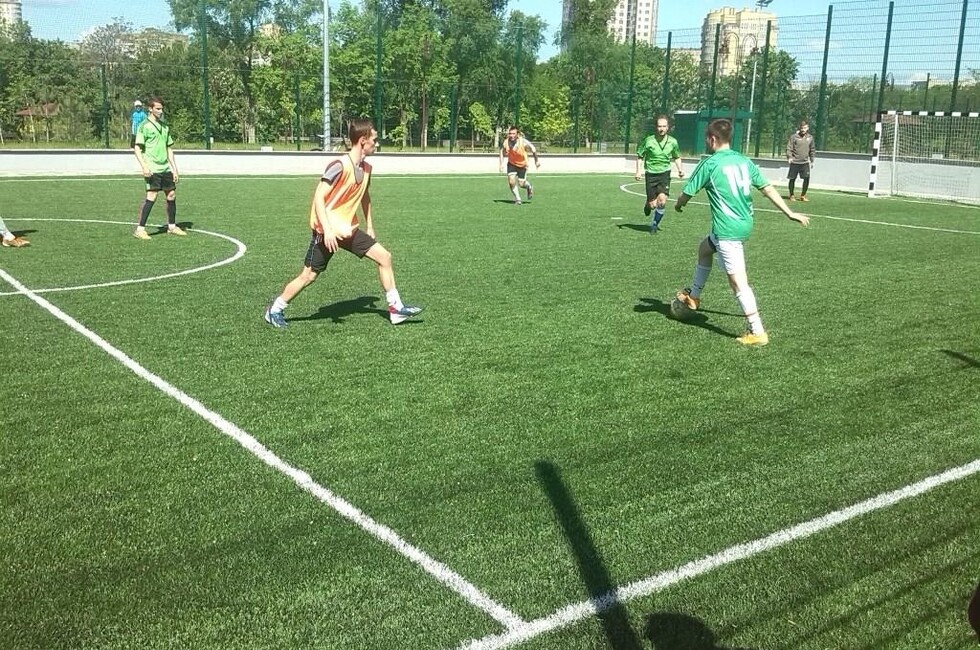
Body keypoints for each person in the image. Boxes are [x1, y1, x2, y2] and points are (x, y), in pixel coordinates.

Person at [264, 117, 423, 328]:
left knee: (384, 257)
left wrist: (370, 225)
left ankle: (396, 310)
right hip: (326, 231)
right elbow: (319, 197)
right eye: (374, 140)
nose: (377, 144)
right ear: (363, 140)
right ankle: (275, 310)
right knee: (309, 275)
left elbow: (365, 197)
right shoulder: (339, 165)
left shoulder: (367, 169)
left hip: (347, 229)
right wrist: (327, 230)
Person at [673, 119, 809, 346]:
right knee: (705, 249)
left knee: (738, 282)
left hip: (728, 230)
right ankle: (694, 296)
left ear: (712, 139)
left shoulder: (710, 164)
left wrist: (679, 205)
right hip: (744, 224)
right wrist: (789, 212)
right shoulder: (744, 161)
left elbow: (686, 194)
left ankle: (757, 331)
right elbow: (767, 188)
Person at [132, 97, 184, 240]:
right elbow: (137, 148)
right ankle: (140, 229)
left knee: (171, 194)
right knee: (152, 196)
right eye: (158, 109)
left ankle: (172, 227)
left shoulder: (165, 127)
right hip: (152, 168)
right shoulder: (144, 126)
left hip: (165, 168)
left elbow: (169, 148)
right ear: (150, 109)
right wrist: (144, 166)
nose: (161, 111)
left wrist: (174, 169)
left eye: (162, 109)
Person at [635, 114, 685, 233]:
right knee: (653, 205)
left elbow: (677, 156)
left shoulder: (673, 142)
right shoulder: (648, 141)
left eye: (664, 126)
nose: (661, 129)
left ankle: (654, 224)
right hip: (651, 174)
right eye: (659, 126)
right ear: (656, 127)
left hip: (664, 174)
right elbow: (640, 156)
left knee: (662, 201)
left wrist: (680, 169)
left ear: (668, 127)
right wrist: (638, 171)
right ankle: (648, 204)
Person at [498, 126, 540, 204]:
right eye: (510, 133)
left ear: (517, 134)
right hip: (512, 164)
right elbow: (501, 151)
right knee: (511, 182)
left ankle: (529, 186)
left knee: (521, 184)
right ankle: (518, 199)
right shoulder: (506, 142)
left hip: (522, 164)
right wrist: (501, 164)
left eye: (513, 133)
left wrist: (536, 161)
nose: (511, 135)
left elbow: (533, 149)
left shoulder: (523, 142)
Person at [786, 119, 815, 202]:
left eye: (805, 128)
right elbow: (789, 148)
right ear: (800, 128)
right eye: (802, 128)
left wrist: (812, 160)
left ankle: (803, 195)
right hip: (795, 162)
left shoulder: (810, 138)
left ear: (807, 128)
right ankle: (791, 195)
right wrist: (789, 157)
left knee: (806, 178)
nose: (803, 129)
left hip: (805, 162)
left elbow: (812, 150)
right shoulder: (794, 137)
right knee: (792, 179)